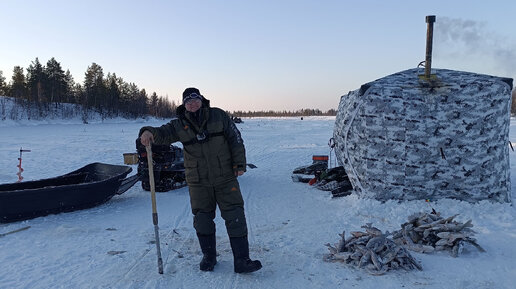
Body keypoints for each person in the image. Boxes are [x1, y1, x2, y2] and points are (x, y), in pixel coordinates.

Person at [139, 87, 262, 273]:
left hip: (225, 177)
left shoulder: (218, 116)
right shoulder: (179, 125)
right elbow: (162, 133)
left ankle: (242, 260)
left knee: (235, 215)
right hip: (198, 180)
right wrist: (148, 131)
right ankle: (209, 257)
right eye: (188, 101)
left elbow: (235, 138)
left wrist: (239, 164)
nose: (192, 103)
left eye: (195, 99)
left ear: (201, 100)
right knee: (202, 219)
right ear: (184, 105)